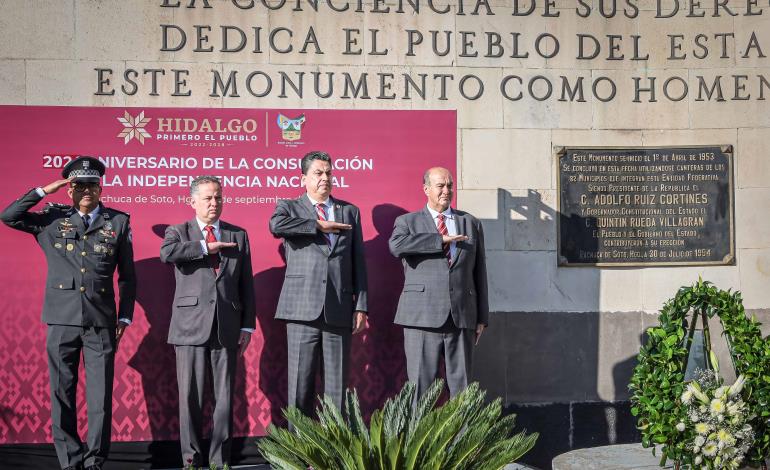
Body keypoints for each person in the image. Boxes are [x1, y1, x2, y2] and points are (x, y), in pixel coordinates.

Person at [0, 156, 136, 470]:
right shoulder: (50, 220)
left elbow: (128, 275)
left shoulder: (118, 221)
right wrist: (42, 190)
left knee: (100, 396)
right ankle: (70, 460)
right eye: (80, 184)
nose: (87, 189)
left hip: (101, 321)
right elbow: (9, 216)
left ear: (101, 188)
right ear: (69, 190)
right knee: (62, 393)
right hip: (61, 320)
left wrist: (125, 316)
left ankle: (95, 461)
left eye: (93, 184)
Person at [160, 175, 256, 469]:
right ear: (193, 202)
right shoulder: (178, 232)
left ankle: (219, 461)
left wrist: (247, 325)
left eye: (218, 197)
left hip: (227, 327)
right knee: (191, 400)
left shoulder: (238, 235)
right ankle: (191, 460)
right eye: (208, 198)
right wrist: (204, 247)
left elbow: (246, 284)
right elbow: (168, 254)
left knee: (225, 400)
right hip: (189, 329)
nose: (214, 203)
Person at [269, 150, 368, 416]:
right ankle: (299, 455)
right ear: (304, 178)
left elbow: (358, 261)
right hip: (301, 310)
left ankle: (334, 454)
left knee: (337, 388)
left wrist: (361, 306)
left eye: (328, 173)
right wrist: (317, 225)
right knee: (300, 387)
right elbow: (276, 225)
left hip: (338, 309)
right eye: (318, 173)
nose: (325, 178)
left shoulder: (350, 211)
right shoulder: (288, 207)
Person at [388, 167, 488, 400]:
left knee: (462, 391)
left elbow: (479, 270)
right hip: (421, 317)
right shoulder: (407, 222)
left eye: (450, 185)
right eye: (440, 186)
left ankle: (463, 438)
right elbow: (396, 247)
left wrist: (482, 317)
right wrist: (439, 240)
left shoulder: (470, 222)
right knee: (421, 392)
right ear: (426, 189)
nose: (446, 191)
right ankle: (420, 437)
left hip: (461, 317)